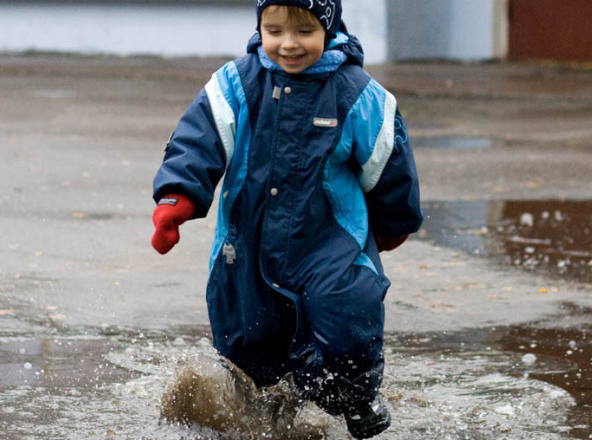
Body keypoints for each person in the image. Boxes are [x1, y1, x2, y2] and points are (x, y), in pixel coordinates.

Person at [150, 0, 423, 438]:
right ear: (259, 27)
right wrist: (176, 198)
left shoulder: (356, 93)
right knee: (247, 341)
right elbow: (197, 141)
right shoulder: (236, 84)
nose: (288, 44)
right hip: (248, 240)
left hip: (329, 243)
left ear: (328, 29)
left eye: (304, 31)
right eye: (274, 31)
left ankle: (353, 399)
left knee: (347, 321)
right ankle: (265, 411)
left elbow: (387, 160)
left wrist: (395, 223)